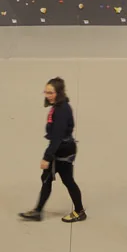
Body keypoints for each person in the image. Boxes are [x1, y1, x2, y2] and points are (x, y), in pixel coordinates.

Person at [19, 76, 86, 223]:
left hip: (64, 151)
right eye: (46, 92)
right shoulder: (58, 107)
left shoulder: (62, 110)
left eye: (51, 93)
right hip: (59, 149)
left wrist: (47, 157)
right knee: (47, 178)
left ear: (59, 93)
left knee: (67, 180)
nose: (47, 96)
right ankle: (38, 211)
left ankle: (79, 211)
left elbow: (57, 137)